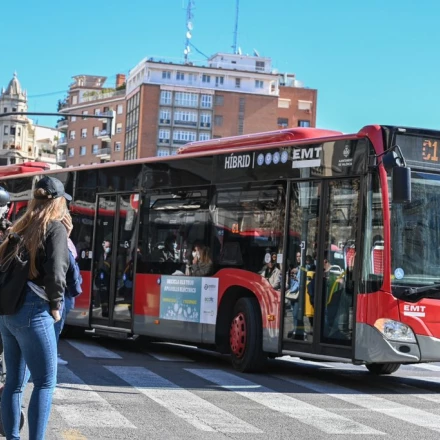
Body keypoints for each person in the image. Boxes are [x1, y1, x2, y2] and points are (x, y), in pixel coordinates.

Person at [0, 175, 70, 440]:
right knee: (45, 382)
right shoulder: (55, 228)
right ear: (58, 202)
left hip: (8, 312)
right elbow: (57, 270)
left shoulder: (21, 226)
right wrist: (56, 306)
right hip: (33, 311)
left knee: (14, 385)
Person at [54, 236, 82, 366]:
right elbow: (71, 270)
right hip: (61, 296)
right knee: (55, 328)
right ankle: (51, 357)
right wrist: (75, 289)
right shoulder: (64, 242)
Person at [95, 240, 112, 318]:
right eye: (106, 247)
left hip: (108, 278)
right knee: (101, 295)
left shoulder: (112, 256)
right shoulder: (100, 255)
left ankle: (107, 311)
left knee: (106, 295)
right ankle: (103, 310)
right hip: (100, 278)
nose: (107, 248)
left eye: (108, 247)